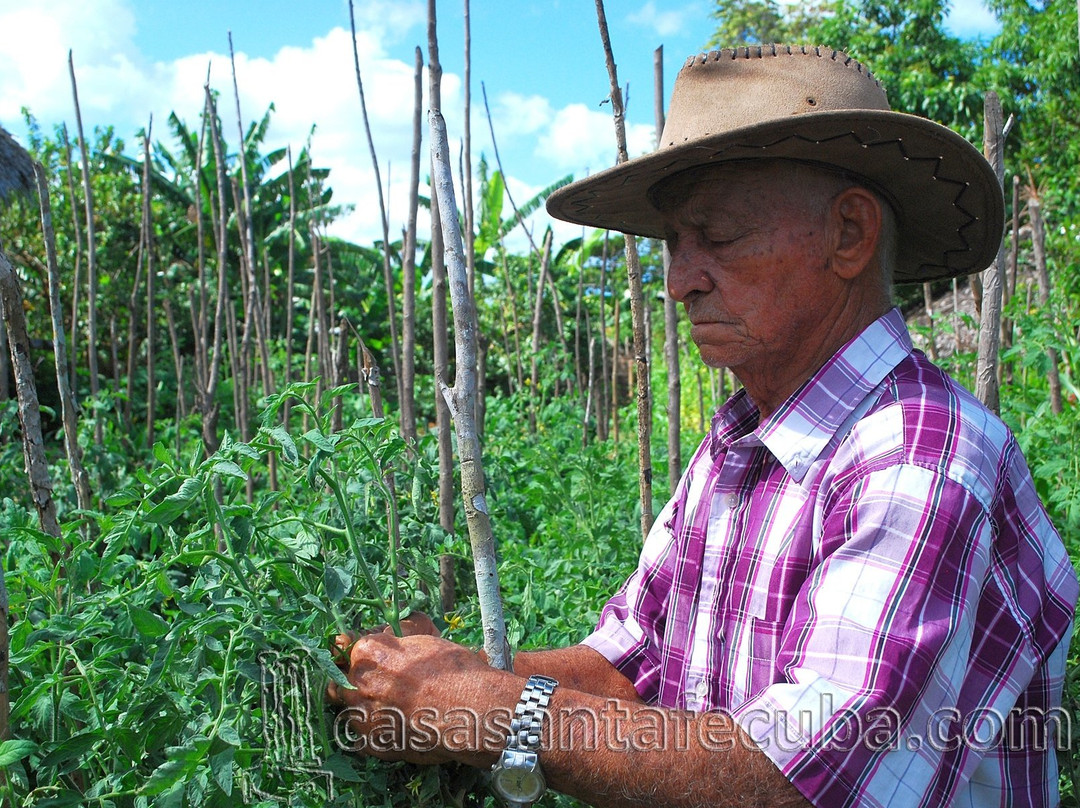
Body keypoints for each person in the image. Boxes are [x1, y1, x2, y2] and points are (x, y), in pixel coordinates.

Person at [327, 45, 1078, 807]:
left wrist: (492, 711)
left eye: (716, 238)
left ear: (849, 234)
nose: (681, 280)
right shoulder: (742, 446)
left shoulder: (920, 455)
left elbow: (792, 778)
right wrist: (445, 681)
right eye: (674, 245)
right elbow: (631, 661)